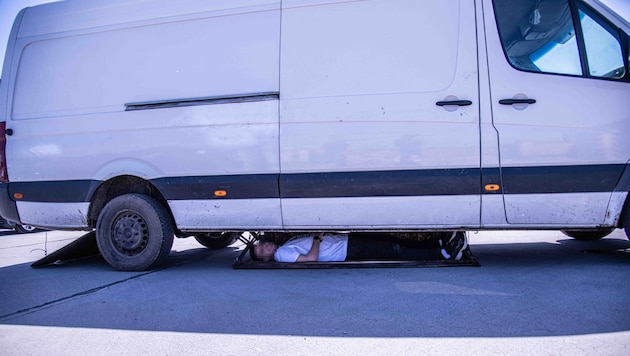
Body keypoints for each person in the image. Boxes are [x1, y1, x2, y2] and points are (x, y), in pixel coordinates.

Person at [251, 231, 469, 263]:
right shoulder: (281, 255)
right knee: (392, 250)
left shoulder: (283, 246)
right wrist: (317, 238)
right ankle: (443, 254)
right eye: (263, 250)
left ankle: (436, 244)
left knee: (393, 244)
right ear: (266, 258)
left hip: (346, 243)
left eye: (263, 245)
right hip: (347, 250)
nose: (266, 246)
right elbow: (309, 260)